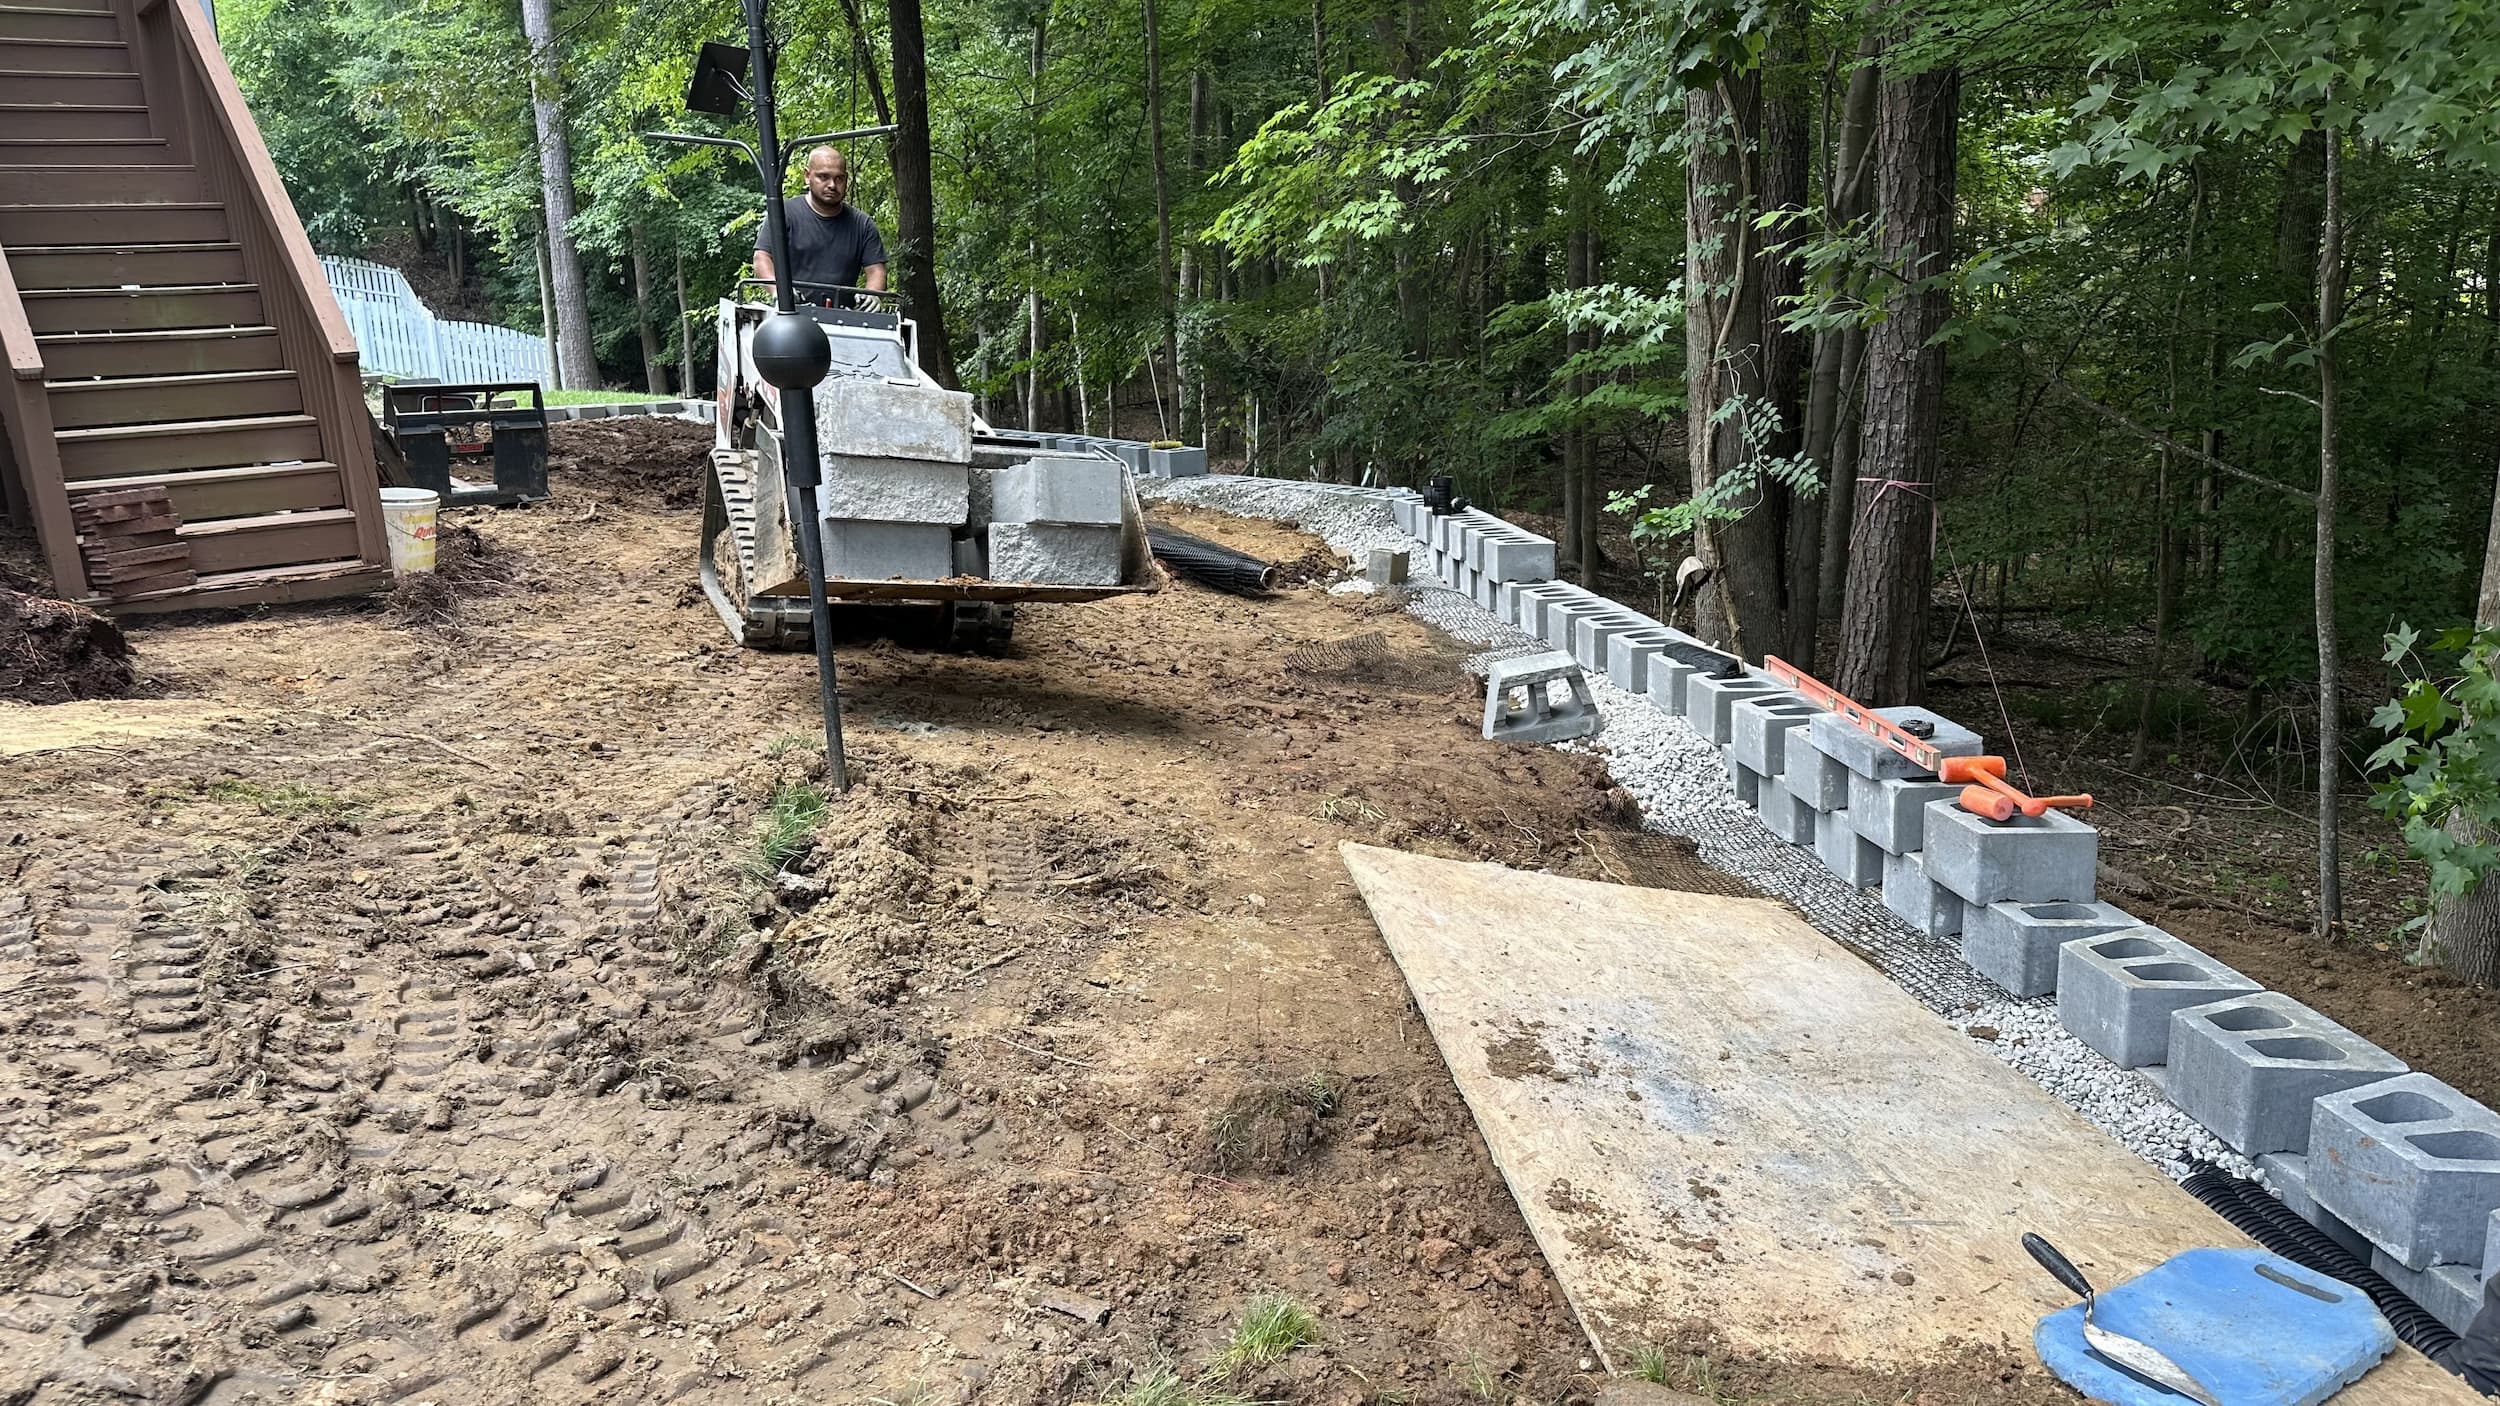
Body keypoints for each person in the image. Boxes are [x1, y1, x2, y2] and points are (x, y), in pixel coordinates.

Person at [752, 146, 888, 302]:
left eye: (839, 178)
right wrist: (779, 291)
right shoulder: (785, 214)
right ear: (807, 176)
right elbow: (761, 257)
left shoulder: (862, 224)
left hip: (845, 318)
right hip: (792, 314)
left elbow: (876, 270)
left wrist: (872, 295)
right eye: (823, 177)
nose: (832, 185)